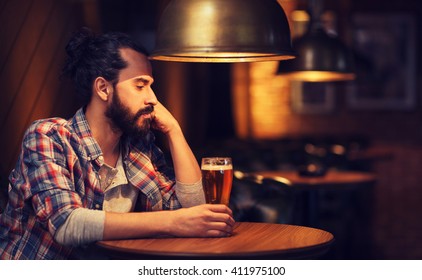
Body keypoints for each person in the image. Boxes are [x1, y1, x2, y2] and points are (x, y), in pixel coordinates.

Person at [0, 28, 235, 259]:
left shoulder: (138, 146)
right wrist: (174, 222)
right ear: (103, 88)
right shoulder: (50, 136)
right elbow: (67, 224)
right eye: (140, 85)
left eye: (151, 86)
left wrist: (174, 130)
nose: (153, 99)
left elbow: (192, 209)